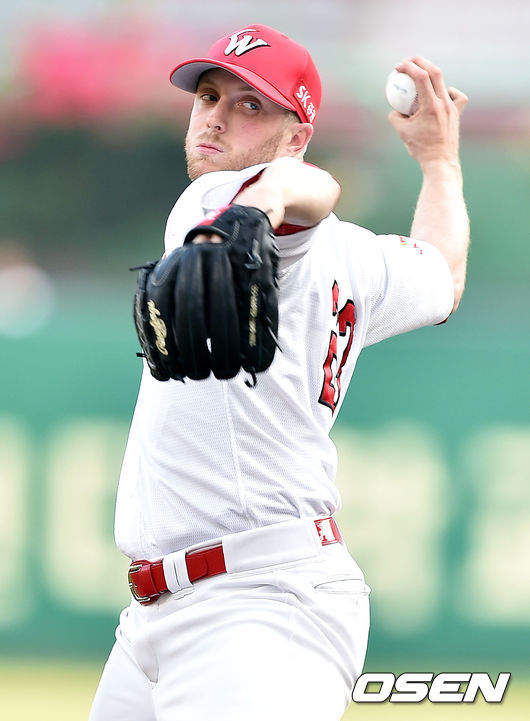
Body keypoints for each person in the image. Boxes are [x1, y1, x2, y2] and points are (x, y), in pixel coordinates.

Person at [89, 23, 469, 721]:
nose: (216, 117)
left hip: (257, 608)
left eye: (251, 106)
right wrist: (440, 164)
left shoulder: (218, 202)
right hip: (165, 614)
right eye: (209, 96)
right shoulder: (360, 258)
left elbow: (308, 187)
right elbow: (444, 274)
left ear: (298, 135)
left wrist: (258, 206)